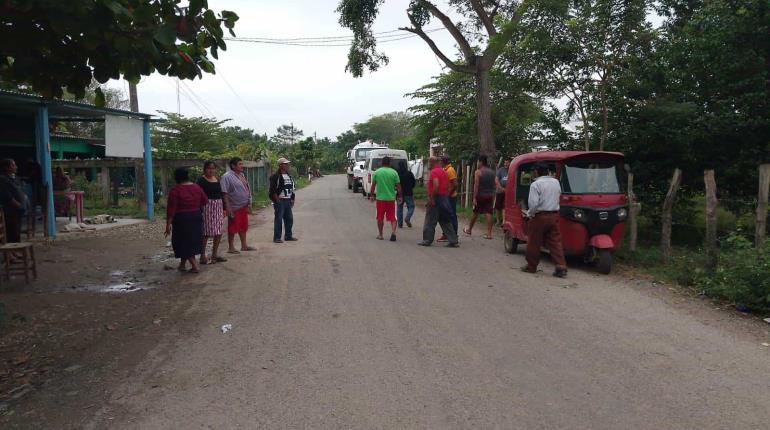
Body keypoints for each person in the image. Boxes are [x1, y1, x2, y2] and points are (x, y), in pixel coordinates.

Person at [521, 163, 568, 278]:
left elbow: (533, 204)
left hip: (539, 217)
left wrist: (529, 214)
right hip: (554, 216)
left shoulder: (535, 184)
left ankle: (531, 266)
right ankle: (561, 266)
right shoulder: (556, 182)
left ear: (537, 172)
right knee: (555, 242)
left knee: (534, 242)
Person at [165, 168, 208, 274]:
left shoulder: (176, 190)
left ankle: (194, 266)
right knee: (191, 240)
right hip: (196, 216)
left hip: (182, 218)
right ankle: (182, 265)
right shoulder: (196, 187)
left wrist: (168, 224)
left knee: (183, 241)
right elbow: (205, 201)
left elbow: (171, 209)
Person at [418, 157, 458, 247]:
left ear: (432, 162)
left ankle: (427, 240)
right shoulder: (444, 172)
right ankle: (453, 240)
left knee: (430, 220)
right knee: (445, 220)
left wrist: (432, 198)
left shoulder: (434, 172)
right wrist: (446, 195)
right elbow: (448, 185)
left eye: (429, 162)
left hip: (436, 198)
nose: (428, 164)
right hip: (444, 198)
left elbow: (436, 185)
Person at [221, 157, 255, 253]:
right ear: (233, 166)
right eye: (240, 164)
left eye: (242, 164)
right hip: (234, 207)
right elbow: (225, 194)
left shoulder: (242, 175)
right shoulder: (226, 177)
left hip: (243, 206)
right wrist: (228, 208)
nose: (242, 166)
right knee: (233, 227)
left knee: (243, 226)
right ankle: (231, 247)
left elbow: (246, 189)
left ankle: (244, 245)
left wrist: (249, 203)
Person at [197, 160, 228, 265]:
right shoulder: (201, 181)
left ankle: (214, 255)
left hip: (218, 206)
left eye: (213, 168)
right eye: (209, 168)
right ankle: (202, 256)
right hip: (206, 207)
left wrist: (224, 208)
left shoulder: (217, 179)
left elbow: (221, 194)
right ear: (205, 169)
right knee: (205, 232)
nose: (211, 170)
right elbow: (198, 196)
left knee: (218, 231)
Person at [463, 155, 499, 239]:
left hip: (480, 195)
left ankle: (469, 229)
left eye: (478, 162)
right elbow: (494, 184)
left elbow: (476, 185)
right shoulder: (492, 172)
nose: (477, 163)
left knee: (475, 212)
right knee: (489, 213)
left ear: (481, 162)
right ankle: (489, 234)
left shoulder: (478, 172)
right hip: (489, 195)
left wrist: (474, 197)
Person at [368, 156, 402, 241]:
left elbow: (373, 185)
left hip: (380, 199)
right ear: (390, 163)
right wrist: (400, 196)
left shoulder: (377, 172)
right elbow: (398, 186)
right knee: (393, 217)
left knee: (380, 217)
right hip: (391, 198)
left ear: (382, 163)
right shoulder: (394, 172)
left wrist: (372, 195)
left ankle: (380, 234)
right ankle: (393, 232)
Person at [269, 157, 298, 243]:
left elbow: (292, 188)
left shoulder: (289, 176)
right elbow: (272, 190)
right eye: (285, 164)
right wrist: (277, 200)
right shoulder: (275, 176)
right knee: (278, 219)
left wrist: (292, 199)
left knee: (289, 219)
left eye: (287, 164)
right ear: (280, 165)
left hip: (288, 200)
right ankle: (277, 238)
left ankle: (288, 236)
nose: (287, 165)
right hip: (280, 200)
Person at [0, 158, 25, 244]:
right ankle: (10, 252)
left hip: (18, 210)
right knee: (11, 231)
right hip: (11, 210)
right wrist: (18, 204)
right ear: (7, 167)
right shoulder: (3, 179)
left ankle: (15, 250)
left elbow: (19, 190)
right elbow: (7, 196)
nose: (16, 167)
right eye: (13, 165)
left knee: (16, 231)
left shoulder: (14, 178)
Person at [438, 156, 459, 242]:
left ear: (444, 162)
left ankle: (453, 234)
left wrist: (449, 194)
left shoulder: (450, 170)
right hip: (447, 196)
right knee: (446, 216)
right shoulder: (446, 169)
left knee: (451, 216)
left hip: (450, 197)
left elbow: (455, 184)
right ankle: (447, 234)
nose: (440, 163)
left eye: (440, 161)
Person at [396, 162, 416, 229]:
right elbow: (414, 183)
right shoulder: (409, 173)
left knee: (399, 208)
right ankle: (408, 217)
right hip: (409, 193)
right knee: (411, 207)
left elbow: (395, 184)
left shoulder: (397, 174)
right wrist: (410, 187)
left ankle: (400, 224)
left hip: (399, 194)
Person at [495, 158, 511, 227]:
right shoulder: (501, 170)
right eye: (505, 163)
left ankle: (504, 221)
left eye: (507, 163)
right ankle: (498, 220)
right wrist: (501, 188)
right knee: (498, 206)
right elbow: (496, 179)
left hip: (508, 191)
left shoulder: (512, 170)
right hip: (499, 191)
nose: (505, 164)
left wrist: (508, 189)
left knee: (505, 206)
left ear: (510, 163)